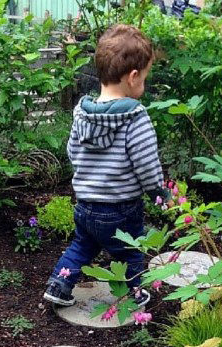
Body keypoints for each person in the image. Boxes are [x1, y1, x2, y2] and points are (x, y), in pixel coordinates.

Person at [43, 24, 170, 307]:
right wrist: (159, 194)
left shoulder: (82, 114)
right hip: (121, 209)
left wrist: (89, 176)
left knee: (82, 247)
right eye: (145, 78)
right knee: (132, 250)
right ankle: (136, 293)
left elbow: (73, 153)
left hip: (86, 205)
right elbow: (147, 164)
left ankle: (59, 284)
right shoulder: (135, 118)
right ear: (133, 76)